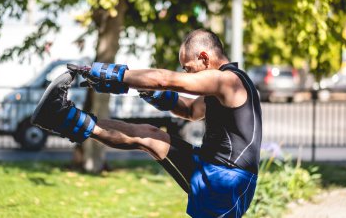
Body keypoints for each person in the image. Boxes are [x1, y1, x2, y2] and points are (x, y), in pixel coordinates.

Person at [31, 28, 262, 218]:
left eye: (188, 69)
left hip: (227, 179)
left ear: (204, 57)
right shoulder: (223, 86)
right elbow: (190, 110)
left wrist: (111, 74)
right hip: (212, 166)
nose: (187, 74)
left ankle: (61, 117)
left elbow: (164, 80)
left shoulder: (228, 81)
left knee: (150, 139)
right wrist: (149, 91)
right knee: (150, 136)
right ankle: (60, 116)